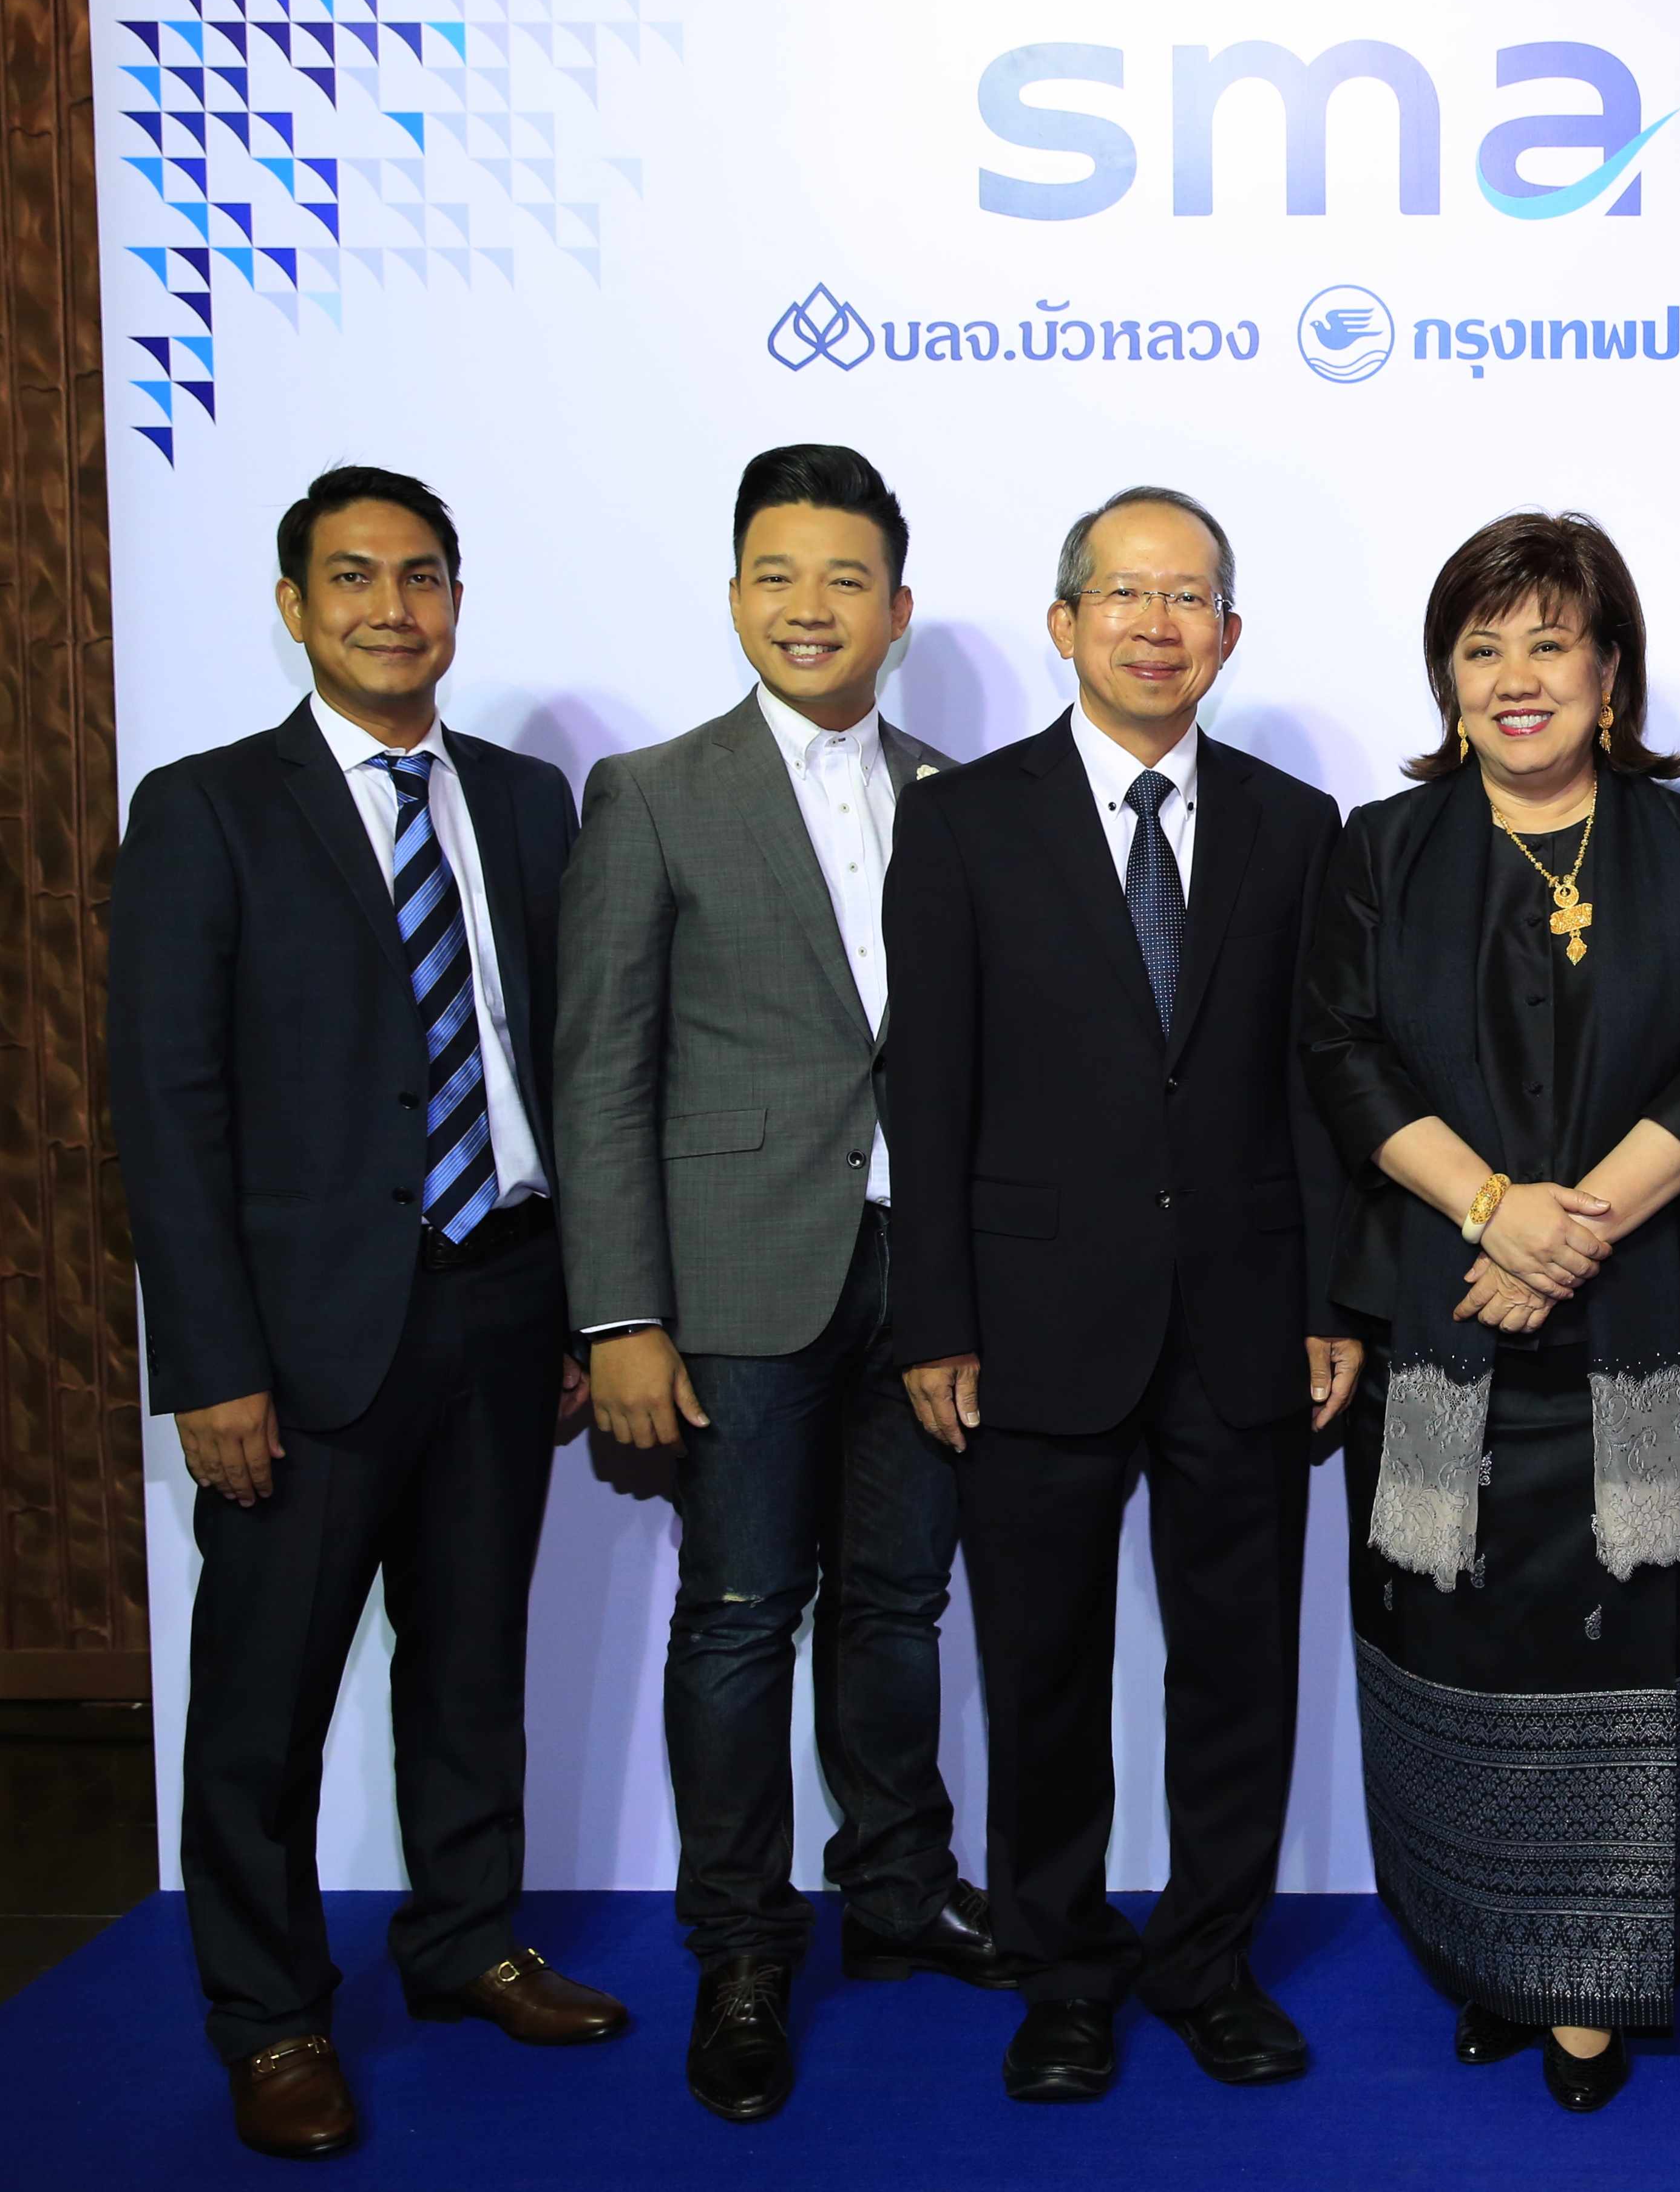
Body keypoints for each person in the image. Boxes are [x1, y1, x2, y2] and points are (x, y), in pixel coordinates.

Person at [109, 466, 626, 2161]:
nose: (391, 608)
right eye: (353, 578)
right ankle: (269, 2022)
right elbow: (166, 1108)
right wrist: (211, 1366)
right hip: (304, 1341)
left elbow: (561, 1060)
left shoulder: (527, 801)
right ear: (294, 606)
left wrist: (584, 1304)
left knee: (472, 1670)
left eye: (420, 577)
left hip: (506, 1298)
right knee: (261, 1709)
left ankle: (467, 1941)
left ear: (456, 603)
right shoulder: (207, 809)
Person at [883, 484, 1360, 2104]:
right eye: (1126, 595)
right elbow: (926, 1091)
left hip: (1245, 1315)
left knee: (1237, 1667)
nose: (1158, 626)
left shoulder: (1298, 827)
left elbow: (1315, 1090)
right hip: (1028, 1324)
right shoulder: (963, 823)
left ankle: (1209, 1964)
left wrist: (1330, 1300)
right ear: (1064, 620)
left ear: (1228, 634)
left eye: (1190, 599)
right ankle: (1063, 1974)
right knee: (1041, 1672)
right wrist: (935, 1317)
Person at [1301, 512, 1680, 2113]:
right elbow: (1342, 1053)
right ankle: (1490, 1954)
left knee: (1629, 1649)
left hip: (1633, 1328)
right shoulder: (1381, 848)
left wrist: (1564, 1233)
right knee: (1456, 1644)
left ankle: (1594, 1988)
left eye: (1550, 644)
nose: (1517, 677)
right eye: (1482, 646)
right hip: (1443, 1318)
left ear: (1609, 672)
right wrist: (1490, 1210)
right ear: (1447, 678)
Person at [553, 444, 1002, 2126]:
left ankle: (897, 1889)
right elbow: (602, 1071)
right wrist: (621, 1313)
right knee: (741, 1618)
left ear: (897, 607)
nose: (809, 607)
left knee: (898, 1607)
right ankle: (741, 1946)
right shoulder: (654, 792)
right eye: (776, 575)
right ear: (736, 594)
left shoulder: (961, 795)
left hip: (924, 1279)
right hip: (738, 1282)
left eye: (844, 579)